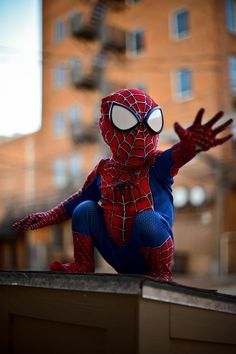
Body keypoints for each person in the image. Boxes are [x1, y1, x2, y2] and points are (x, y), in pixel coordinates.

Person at [13, 88, 233, 281]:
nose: (140, 131)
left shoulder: (156, 164)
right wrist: (48, 216)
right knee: (85, 209)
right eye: (127, 120)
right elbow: (77, 201)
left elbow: (175, 156)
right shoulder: (104, 171)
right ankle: (82, 265)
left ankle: (162, 273)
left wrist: (191, 147)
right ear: (107, 126)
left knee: (147, 219)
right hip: (116, 252)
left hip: (150, 255)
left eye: (150, 123)